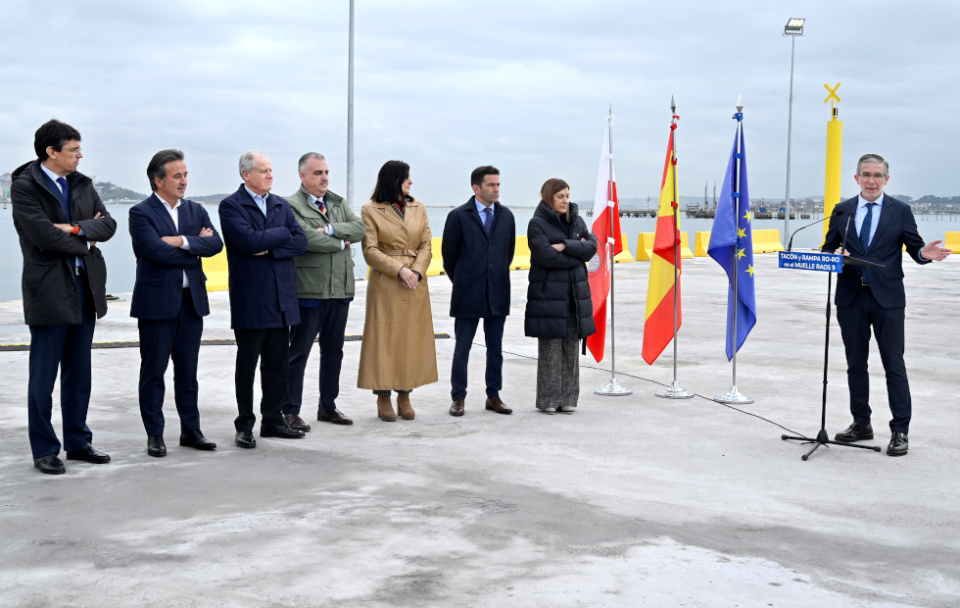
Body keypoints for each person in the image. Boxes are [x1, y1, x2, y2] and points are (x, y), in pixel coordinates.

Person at [822, 154, 951, 456]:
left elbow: (915, 248)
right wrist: (834, 254)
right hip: (851, 298)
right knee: (856, 363)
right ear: (856, 179)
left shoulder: (900, 210)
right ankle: (861, 423)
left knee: (894, 364)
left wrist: (923, 255)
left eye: (877, 175)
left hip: (888, 300)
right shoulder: (842, 210)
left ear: (886, 179)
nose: (871, 181)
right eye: (866, 175)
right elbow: (828, 249)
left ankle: (900, 430)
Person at [11, 119, 117, 474]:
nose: (80, 155)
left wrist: (73, 228)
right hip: (49, 290)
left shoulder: (82, 184)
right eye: (73, 150)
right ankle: (44, 449)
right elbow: (42, 237)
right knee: (43, 377)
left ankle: (78, 442)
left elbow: (109, 225)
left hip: (85, 288)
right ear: (51, 152)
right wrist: (87, 237)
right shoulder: (25, 187)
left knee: (79, 373)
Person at [129, 150, 223, 457]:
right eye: (177, 176)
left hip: (190, 303)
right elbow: (154, 251)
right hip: (156, 304)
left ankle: (191, 430)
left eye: (185, 175)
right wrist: (194, 245)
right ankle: (155, 434)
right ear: (159, 181)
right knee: (153, 372)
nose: (184, 181)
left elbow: (216, 244)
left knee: (188, 371)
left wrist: (180, 240)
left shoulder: (196, 210)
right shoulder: (141, 213)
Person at [219, 151, 308, 448]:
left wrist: (270, 247)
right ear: (246, 175)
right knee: (247, 367)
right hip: (252, 299)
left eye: (271, 170)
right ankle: (244, 425)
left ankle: (272, 421)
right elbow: (248, 242)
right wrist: (281, 234)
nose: (270, 175)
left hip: (282, 299)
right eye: (264, 170)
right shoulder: (231, 205)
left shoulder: (280, 204)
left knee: (277, 365)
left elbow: (300, 242)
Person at [282, 153, 365, 430]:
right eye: (318, 173)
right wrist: (341, 243)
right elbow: (306, 238)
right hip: (310, 290)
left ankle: (328, 406)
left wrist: (330, 229)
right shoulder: (290, 205)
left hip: (339, 289)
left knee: (333, 352)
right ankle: (290, 410)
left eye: (326, 172)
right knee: (299, 353)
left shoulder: (337, 202)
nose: (325, 178)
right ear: (303, 176)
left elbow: (360, 229)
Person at [357, 160, 438, 421]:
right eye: (406, 177)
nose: (410, 181)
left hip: (415, 282)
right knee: (383, 340)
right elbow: (370, 250)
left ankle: (405, 394)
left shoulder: (418, 207)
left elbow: (426, 244)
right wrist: (399, 269)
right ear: (393, 180)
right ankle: (383, 396)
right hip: (387, 282)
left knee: (410, 340)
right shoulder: (370, 209)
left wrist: (416, 271)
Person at [442, 166, 516, 417]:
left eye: (498, 184)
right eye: (491, 185)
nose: (496, 189)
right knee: (462, 349)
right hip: (468, 294)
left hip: (497, 292)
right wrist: (464, 281)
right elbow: (449, 257)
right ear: (476, 188)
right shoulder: (458, 216)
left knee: (495, 350)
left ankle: (493, 396)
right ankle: (458, 397)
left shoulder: (506, 216)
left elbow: (507, 253)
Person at [524, 178, 597, 415]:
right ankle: (548, 399)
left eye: (567, 195)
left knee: (571, 351)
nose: (565, 200)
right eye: (560, 196)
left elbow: (592, 248)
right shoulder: (537, 224)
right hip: (548, 297)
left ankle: (568, 399)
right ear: (548, 197)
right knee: (550, 352)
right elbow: (546, 256)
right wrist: (576, 249)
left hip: (575, 297)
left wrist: (564, 246)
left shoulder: (577, 221)